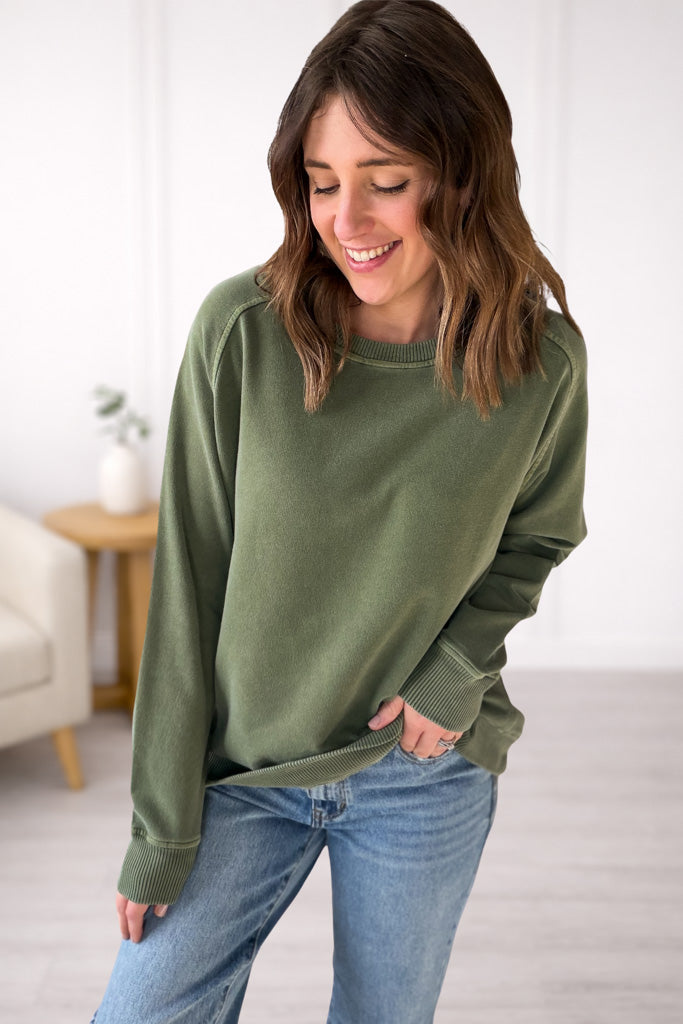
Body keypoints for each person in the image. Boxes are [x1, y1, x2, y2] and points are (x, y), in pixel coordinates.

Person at [91, 1, 587, 1021]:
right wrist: (159, 827)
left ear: (461, 173)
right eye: (322, 185)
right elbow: (184, 585)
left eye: (386, 183)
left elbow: (537, 534)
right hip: (247, 767)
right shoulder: (242, 334)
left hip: (421, 770)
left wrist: (454, 673)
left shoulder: (537, 364)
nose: (345, 222)